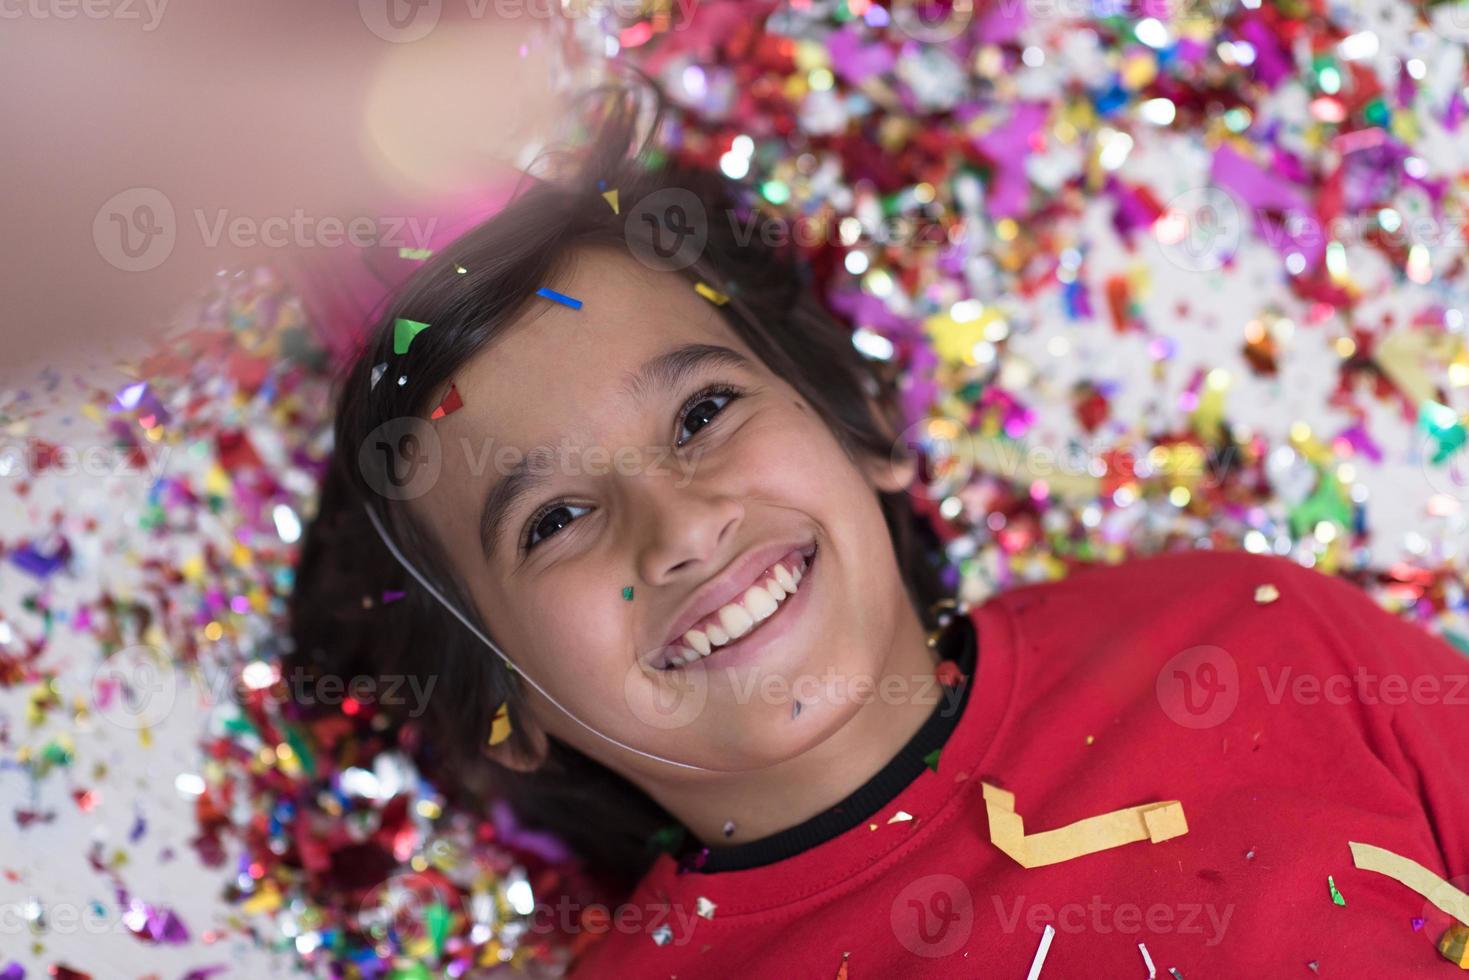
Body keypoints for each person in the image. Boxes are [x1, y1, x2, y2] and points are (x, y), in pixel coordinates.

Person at [287, 82, 1469, 977]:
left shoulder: (1240, 633)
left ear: (861, 429)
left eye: (703, 411)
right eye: (551, 519)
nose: (681, 525)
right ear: (508, 706)